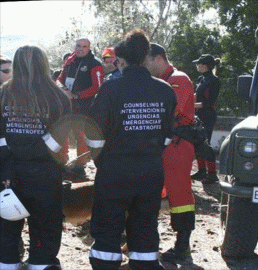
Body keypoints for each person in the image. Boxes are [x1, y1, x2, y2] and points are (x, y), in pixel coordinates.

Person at [86, 29, 176, 270]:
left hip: (114, 171)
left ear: (121, 61)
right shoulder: (165, 90)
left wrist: (100, 161)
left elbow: (94, 135)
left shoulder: (110, 88)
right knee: (146, 225)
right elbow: (168, 135)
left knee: (107, 227)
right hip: (150, 171)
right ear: (145, 56)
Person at [0, 45, 72, 270]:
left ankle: (7, 264)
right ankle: (40, 264)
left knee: (7, 227)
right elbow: (58, 137)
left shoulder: (3, 92)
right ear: (44, 64)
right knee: (45, 227)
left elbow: (1, 135)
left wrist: (12, 156)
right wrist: (36, 153)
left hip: (9, 171)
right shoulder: (59, 96)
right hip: (45, 173)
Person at [145, 43, 196, 261]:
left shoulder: (178, 79)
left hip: (178, 144)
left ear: (158, 59)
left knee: (179, 194)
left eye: (145, 62)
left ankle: (182, 246)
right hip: (163, 143)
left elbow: (170, 111)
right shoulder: (162, 81)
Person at [56, 38, 104, 177]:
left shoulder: (94, 64)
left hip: (84, 107)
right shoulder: (70, 61)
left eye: (84, 46)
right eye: (78, 46)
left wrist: (76, 95)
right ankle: (62, 163)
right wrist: (62, 89)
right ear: (74, 46)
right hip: (66, 105)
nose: (80, 48)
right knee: (62, 133)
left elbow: (97, 87)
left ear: (89, 48)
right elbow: (59, 78)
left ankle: (80, 166)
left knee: (80, 136)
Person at [191, 54, 221, 184]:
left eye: (199, 63)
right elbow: (196, 96)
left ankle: (212, 173)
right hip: (198, 113)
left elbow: (209, 102)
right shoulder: (201, 78)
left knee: (206, 143)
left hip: (208, 114)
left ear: (204, 66)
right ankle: (202, 171)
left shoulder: (214, 80)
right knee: (197, 141)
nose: (197, 65)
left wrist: (190, 105)